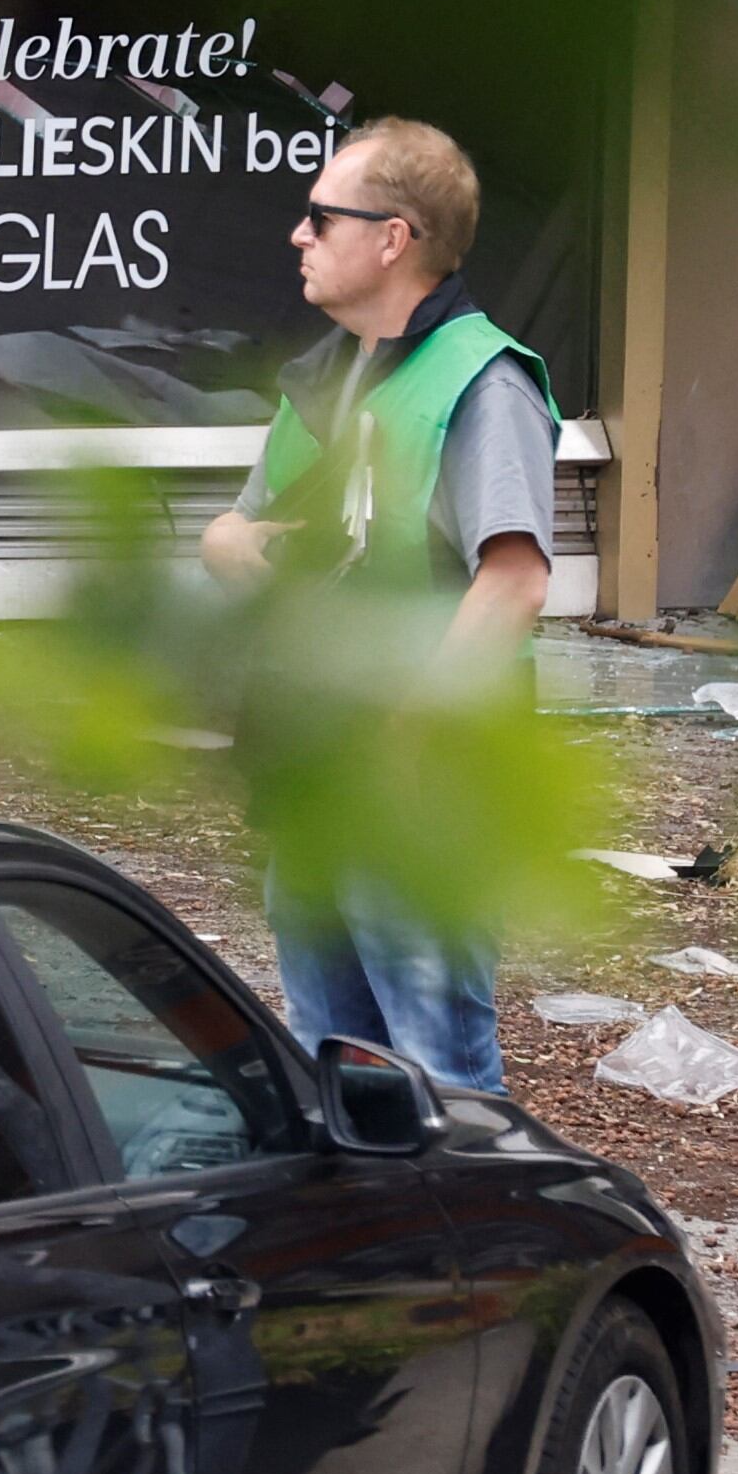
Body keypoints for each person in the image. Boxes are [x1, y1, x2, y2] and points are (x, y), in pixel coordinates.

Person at [200, 116, 557, 1095]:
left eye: (322, 217)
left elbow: (516, 580)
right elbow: (245, 533)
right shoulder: (325, 378)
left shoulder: (482, 383)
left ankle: (472, 1245)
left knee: (440, 1077)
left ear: (393, 238)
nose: (297, 235)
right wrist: (230, 546)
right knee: (337, 1066)